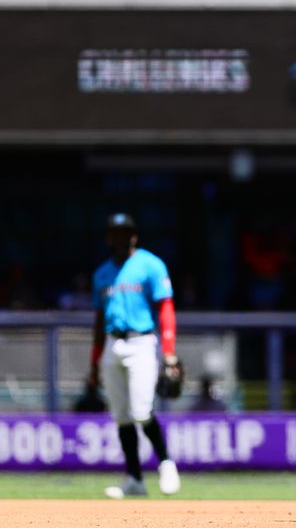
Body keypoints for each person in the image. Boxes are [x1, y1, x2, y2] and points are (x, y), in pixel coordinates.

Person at [88, 213, 181, 498]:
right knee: (122, 417)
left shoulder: (150, 265)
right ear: (108, 237)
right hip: (112, 344)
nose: (120, 236)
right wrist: (94, 361)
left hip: (141, 342)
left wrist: (169, 353)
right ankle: (134, 479)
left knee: (142, 412)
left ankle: (165, 463)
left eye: (125, 231)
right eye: (115, 232)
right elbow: (99, 321)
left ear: (134, 235)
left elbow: (166, 309)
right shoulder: (102, 273)